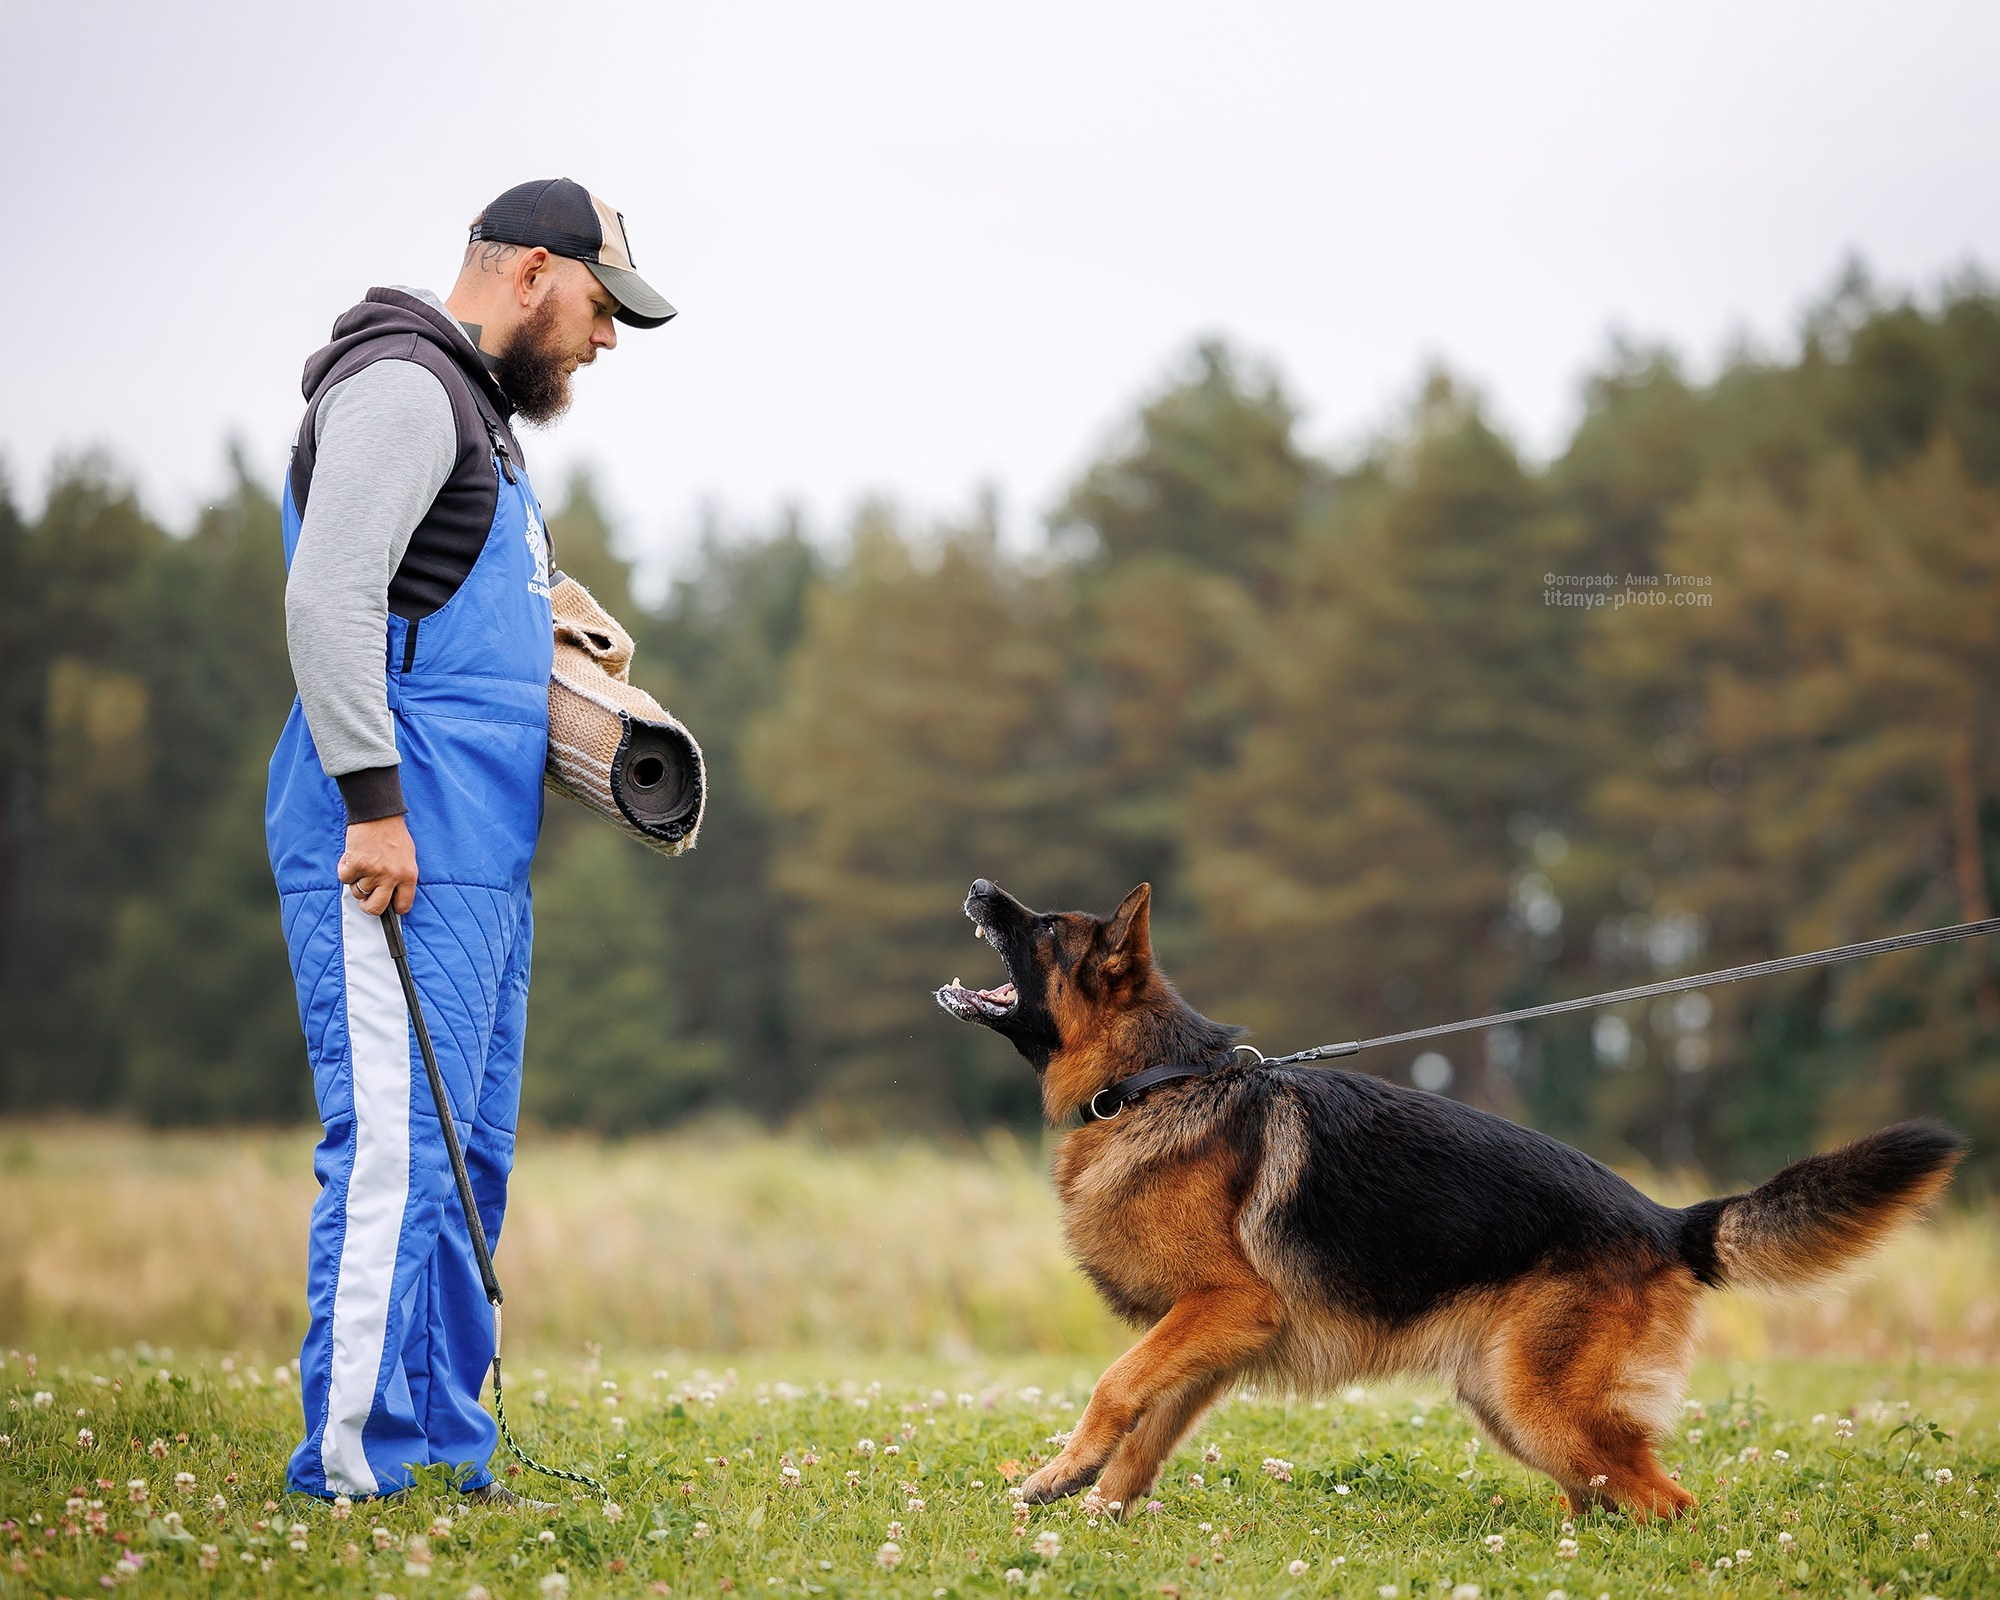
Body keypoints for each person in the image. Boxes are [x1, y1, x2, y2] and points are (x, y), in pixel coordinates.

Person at [266, 179, 674, 1504]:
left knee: (463, 1160)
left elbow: (430, 606)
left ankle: (442, 1452)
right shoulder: (401, 386)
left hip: (478, 856)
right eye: (603, 308)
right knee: (395, 1155)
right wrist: (373, 806)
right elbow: (330, 600)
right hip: (394, 842)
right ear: (533, 272)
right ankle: (352, 1464)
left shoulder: (481, 417)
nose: (604, 339)